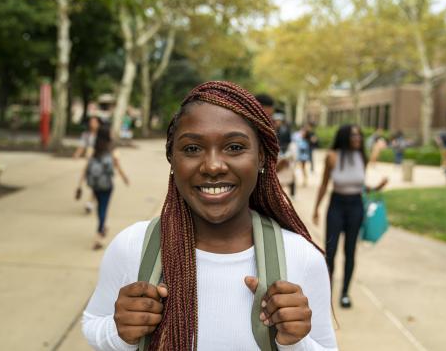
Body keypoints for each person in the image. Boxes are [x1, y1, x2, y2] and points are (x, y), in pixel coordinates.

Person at [82, 81, 337, 350]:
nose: (213, 166)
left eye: (235, 147)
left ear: (261, 156)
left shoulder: (301, 256)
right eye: (192, 148)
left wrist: (295, 342)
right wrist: (119, 332)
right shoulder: (132, 246)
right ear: (171, 157)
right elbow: (92, 323)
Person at [312, 124, 387, 309]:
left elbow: (360, 185)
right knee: (331, 251)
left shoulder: (362, 156)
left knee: (350, 251)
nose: (358, 139)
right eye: (354, 136)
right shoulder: (332, 157)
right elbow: (323, 184)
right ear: (345, 137)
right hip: (336, 205)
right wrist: (316, 208)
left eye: (359, 135)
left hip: (356, 206)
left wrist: (377, 187)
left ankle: (345, 293)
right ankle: (326, 293)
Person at [77, 126, 129, 250]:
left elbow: (86, 167)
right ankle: (98, 236)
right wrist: (124, 177)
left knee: (100, 207)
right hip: (107, 185)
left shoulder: (94, 149)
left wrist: (79, 184)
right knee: (103, 209)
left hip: (95, 185)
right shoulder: (111, 149)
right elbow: (116, 166)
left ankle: (102, 227)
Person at [74, 116, 102, 213]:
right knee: (83, 175)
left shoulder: (102, 134)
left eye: (95, 122)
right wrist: (77, 154)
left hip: (99, 161)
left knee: (96, 181)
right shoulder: (86, 135)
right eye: (91, 122)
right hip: (89, 159)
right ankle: (79, 188)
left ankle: (90, 201)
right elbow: (82, 146)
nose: (93, 124)